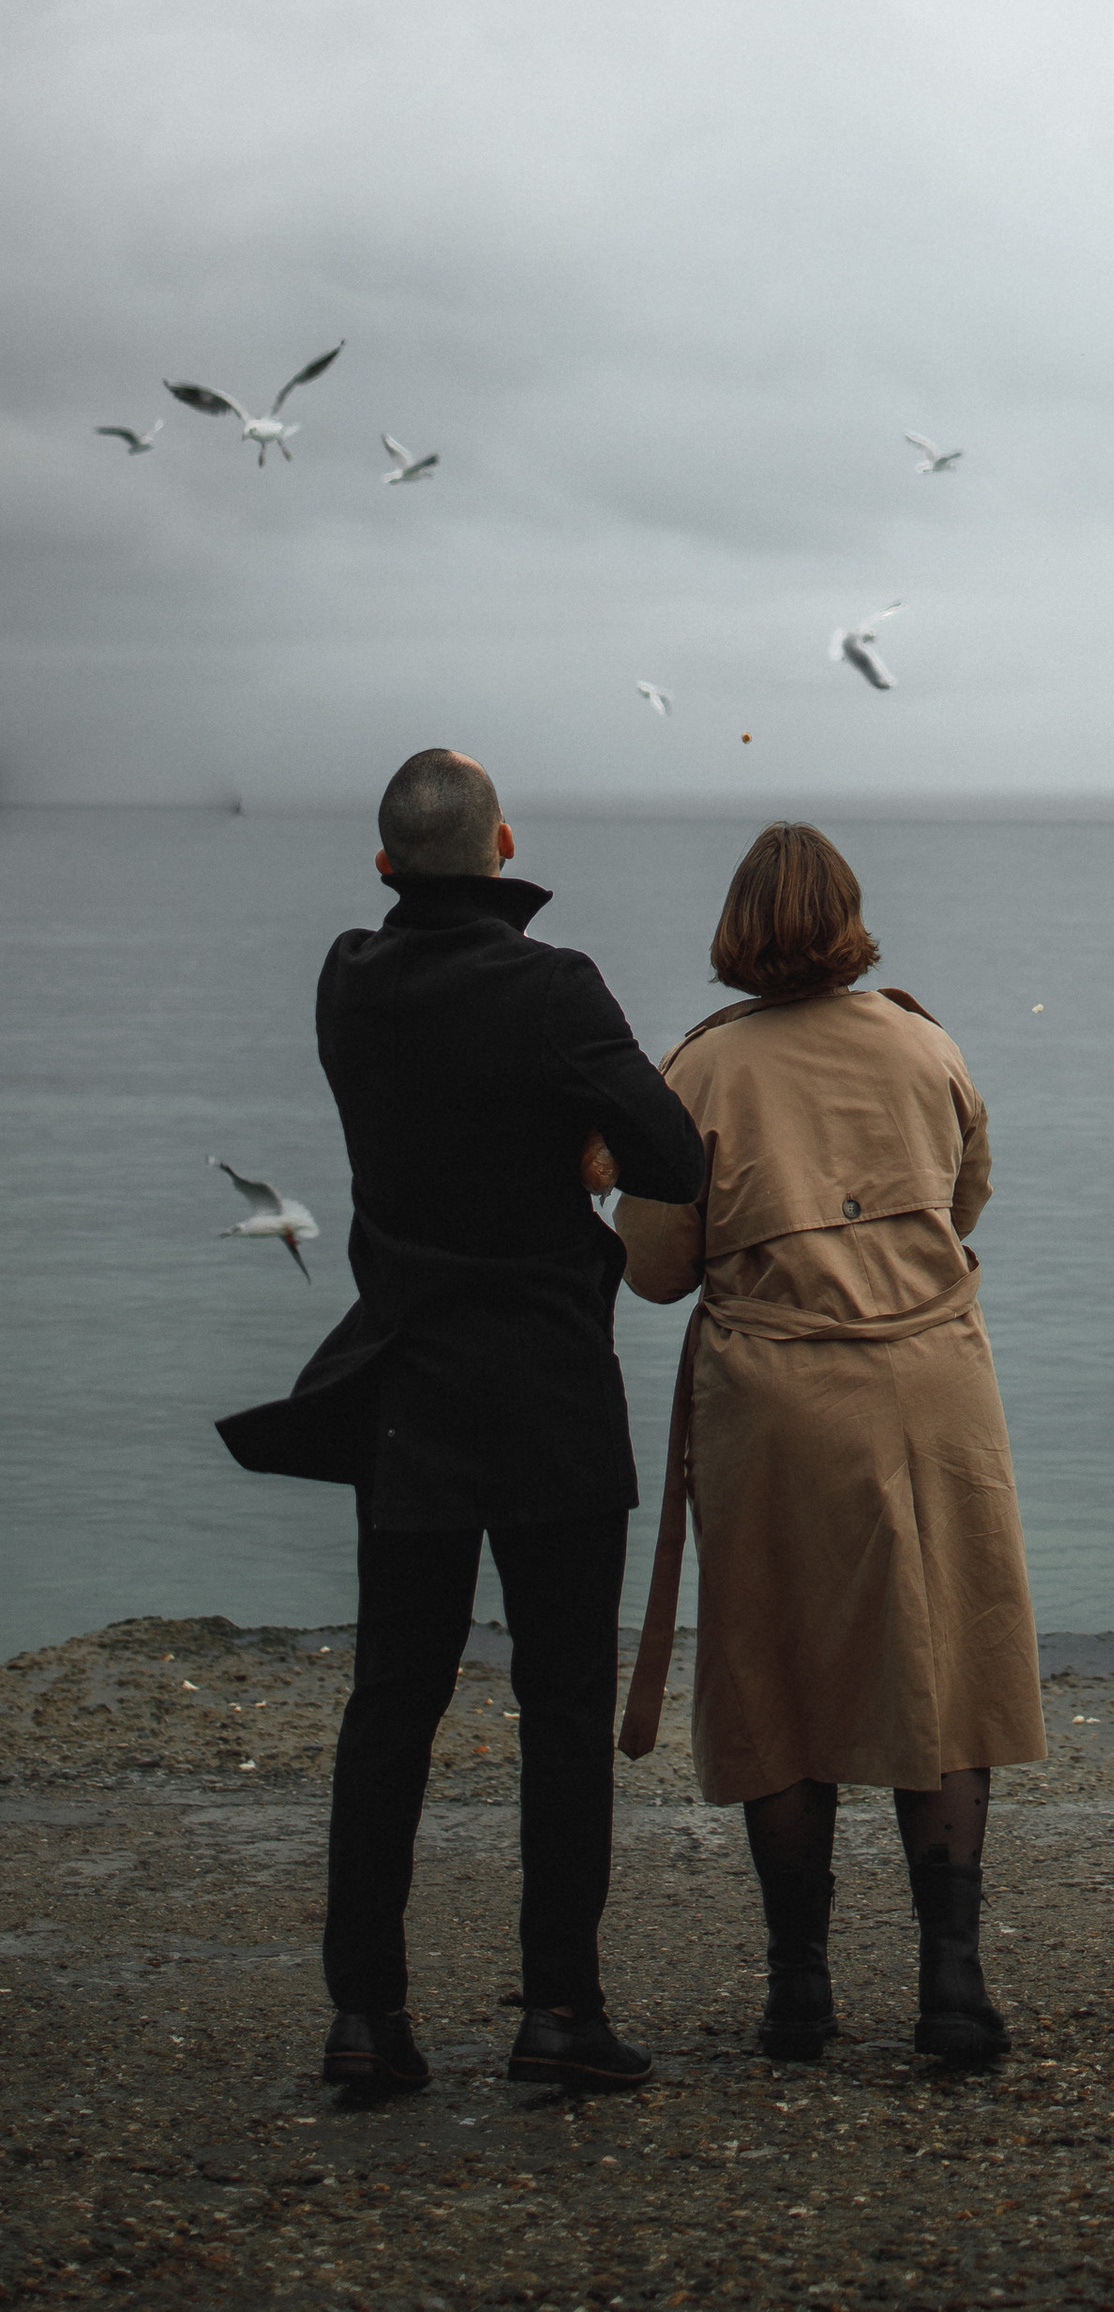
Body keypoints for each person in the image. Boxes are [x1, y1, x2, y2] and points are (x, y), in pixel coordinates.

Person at [217, 747, 706, 2099]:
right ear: (505, 848)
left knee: (393, 1705)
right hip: (547, 1386)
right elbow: (676, 1158)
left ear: (384, 866)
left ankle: (366, 2020)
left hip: (410, 1389)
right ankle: (559, 2012)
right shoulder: (557, 989)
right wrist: (584, 1146)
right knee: (559, 1710)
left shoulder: (346, 980)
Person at [614, 820, 1045, 2067]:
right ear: (852, 919)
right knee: (943, 1669)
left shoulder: (698, 1075)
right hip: (932, 1388)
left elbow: (654, 1269)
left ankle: (799, 1993)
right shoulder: (926, 1045)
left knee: (774, 1674)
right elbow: (964, 1203)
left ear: (737, 931)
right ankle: (951, 1986)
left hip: (778, 1399)